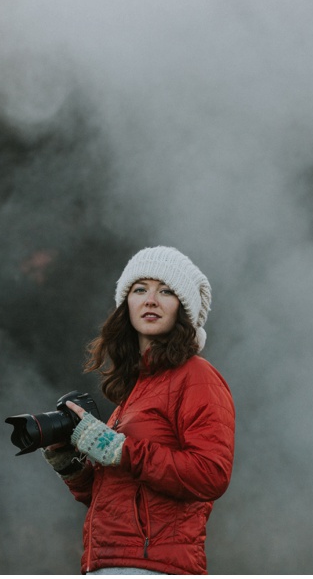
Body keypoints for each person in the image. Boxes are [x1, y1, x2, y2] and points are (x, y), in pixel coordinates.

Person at [42, 246, 235, 575]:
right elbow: (121, 498)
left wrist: (118, 449)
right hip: (109, 563)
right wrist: (72, 469)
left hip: (156, 567)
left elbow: (210, 475)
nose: (151, 300)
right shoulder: (135, 392)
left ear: (182, 309)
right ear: (126, 305)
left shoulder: (197, 376)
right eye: (139, 289)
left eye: (166, 291)